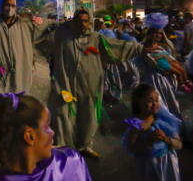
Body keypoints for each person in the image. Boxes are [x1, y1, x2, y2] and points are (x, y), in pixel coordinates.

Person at [49, 9, 142, 159]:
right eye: (79, 20)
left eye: (86, 21)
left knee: (89, 115)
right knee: (63, 115)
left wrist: (140, 48)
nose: (82, 24)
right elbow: (44, 33)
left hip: (89, 84)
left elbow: (117, 46)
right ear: (73, 21)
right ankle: (65, 149)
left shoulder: (96, 38)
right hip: (65, 84)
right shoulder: (61, 34)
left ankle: (85, 145)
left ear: (90, 22)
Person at [123, 84, 182, 181]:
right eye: (150, 101)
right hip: (150, 167)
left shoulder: (163, 119)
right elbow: (131, 148)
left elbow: (179, 145)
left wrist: (165, 139)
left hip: (169, 163)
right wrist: (148, 141)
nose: (155, 104)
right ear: (138, 102)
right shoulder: (137, 125)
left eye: (157, 100)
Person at [137, 13, 186, 117]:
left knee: (171, 104)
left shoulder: (162, 47)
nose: (158, 35)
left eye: (160, 33)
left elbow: (172, 61)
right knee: (158, 106)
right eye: (155, 33)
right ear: (149, 34)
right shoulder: (143, 47)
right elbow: (151, 64)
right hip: (152, 80)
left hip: (166, 81)